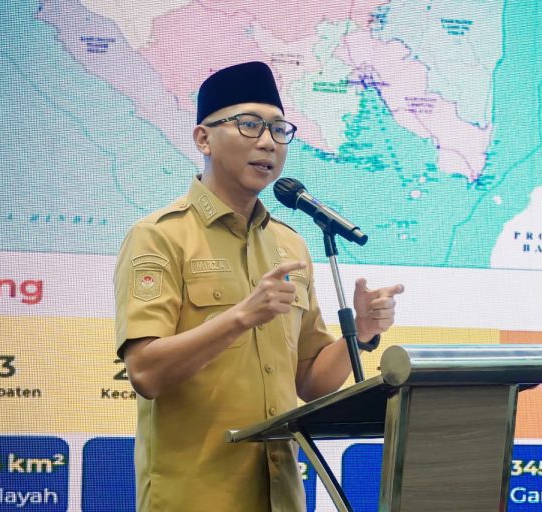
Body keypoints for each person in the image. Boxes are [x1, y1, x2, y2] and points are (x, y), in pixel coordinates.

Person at [114, 61, 404, 512]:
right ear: (203, 139)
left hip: (280, 495)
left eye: (279, 129)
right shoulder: (160, 237)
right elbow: (146, 373)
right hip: (195, 498)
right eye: (249, 125)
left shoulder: (289, 244)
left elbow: (311, 382)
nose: (268, 142)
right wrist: (240, 317)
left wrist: (361, 333)